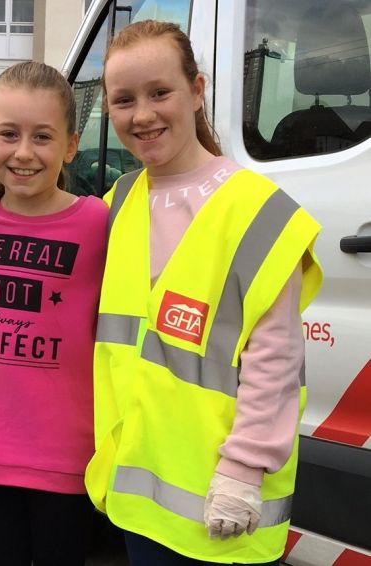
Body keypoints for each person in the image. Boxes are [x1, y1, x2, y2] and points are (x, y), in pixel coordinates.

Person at [84, 19, 324, 566]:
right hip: (141, 498)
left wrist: (244, 468)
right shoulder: (119, 200)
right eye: (123, 100)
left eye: (159, 92)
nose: (142, 115)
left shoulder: (255, 209)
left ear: (197, 90)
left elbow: (277, 357)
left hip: (221, 501)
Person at [0, 60, 108, 565]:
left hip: (68, 460)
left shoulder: (98, 223)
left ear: (70, 144)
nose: (24, 152)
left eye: (43, 137)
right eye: (8, 134)